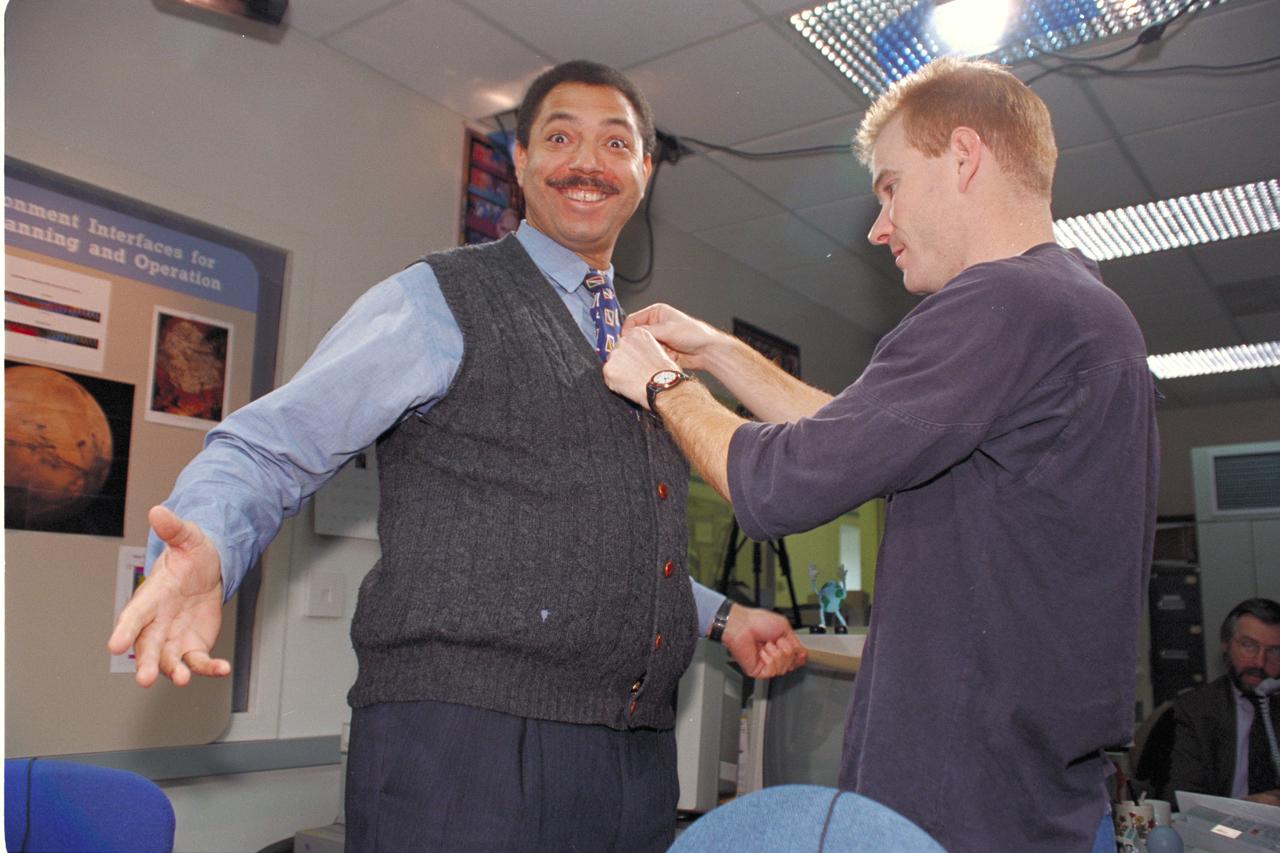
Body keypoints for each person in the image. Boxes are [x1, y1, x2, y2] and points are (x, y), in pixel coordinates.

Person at [108, 60, 806, 852]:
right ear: (519, 163)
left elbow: (608, 543)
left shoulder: (643, 344)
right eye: (559, 136)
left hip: (632, 764)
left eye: (616, 142)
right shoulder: (439, 299)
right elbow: (274, 445)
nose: (587, 160)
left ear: (644, 171)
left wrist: (724, 616)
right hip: (465, 752)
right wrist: (210, 538)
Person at [602, 56, 1159, 851]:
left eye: (890, 185)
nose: (878, 224)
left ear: (962, 157)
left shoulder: (1007, 300)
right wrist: (718, 354)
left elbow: (777, 484)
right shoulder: (1074, 314)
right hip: (1031, 796)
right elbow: (855, 438)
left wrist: (659, 382)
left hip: (963, 804)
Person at [1166, 598, 1280, 806]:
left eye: (1274, 651)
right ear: (1226, 645)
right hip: (1221, 830)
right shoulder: (1197, 708)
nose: (1259, 661)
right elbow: (1182, 798)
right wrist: (1245, 807)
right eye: (1248, 645)